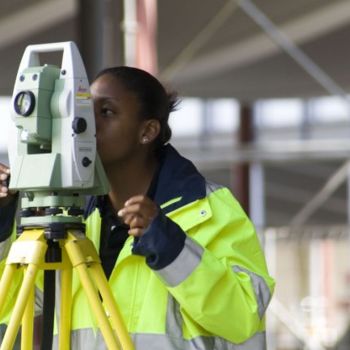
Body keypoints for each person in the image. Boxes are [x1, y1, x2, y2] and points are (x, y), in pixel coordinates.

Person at [0, 66, 275, 349]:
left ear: (147, 131)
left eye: (106, 112)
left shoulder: (208, 208)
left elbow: (243, 316)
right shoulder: (74, 221)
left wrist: (171, 248)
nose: (86, 124)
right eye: (84, 110)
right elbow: (11, 304)